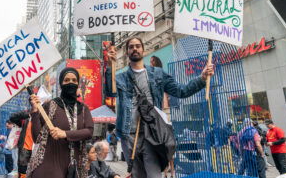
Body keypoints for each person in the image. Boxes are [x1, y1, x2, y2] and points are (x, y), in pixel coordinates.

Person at [106, 37, 214, 178]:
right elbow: (110, 91)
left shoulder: (158, 73)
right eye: (131, 47)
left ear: (143, 49)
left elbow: (181, 91)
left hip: (152, 134)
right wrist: (110, 66)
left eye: (138, 46)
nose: (135, 49)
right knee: (138, 175)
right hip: (128, 135)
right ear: (127, 52)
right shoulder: (121, 78)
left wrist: (202, 78)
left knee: (154, 174)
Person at [28, 67, 94, 178]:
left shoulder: (83, 109)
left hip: (74, 169)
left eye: (74, 80)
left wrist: (65, 134)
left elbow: (89, 132)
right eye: (66, 80)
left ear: (78, 83)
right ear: (61, 83)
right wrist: (35, 111)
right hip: (49, 168)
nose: (70, 83)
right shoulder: (50, 105)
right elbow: (36, 138)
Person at [9, 110, 33, 178]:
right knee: (22, 171)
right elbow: (12, 117)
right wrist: (28, 113)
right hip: (24, 149)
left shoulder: (41, 117)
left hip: (37, 150)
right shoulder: (25, 119)